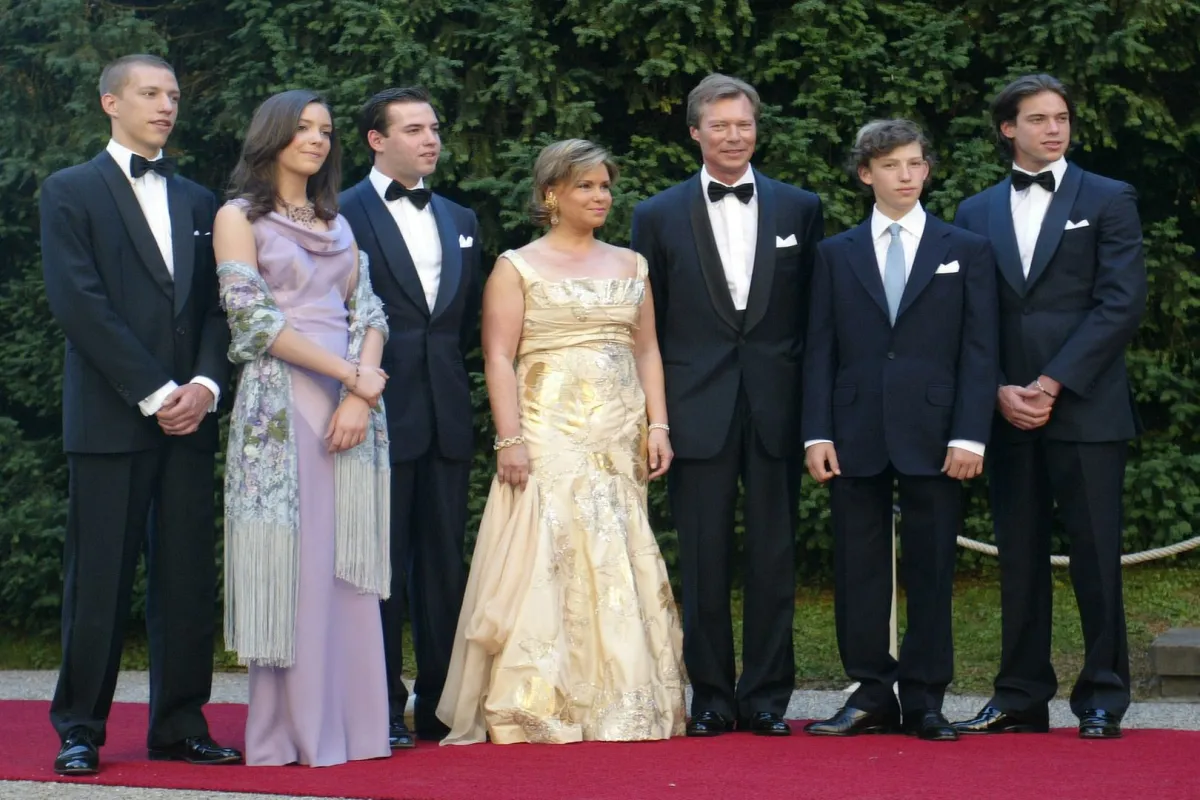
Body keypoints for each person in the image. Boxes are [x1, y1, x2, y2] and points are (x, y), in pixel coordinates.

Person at [436, 139, 686, 744]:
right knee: (545, 553)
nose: (600, 196)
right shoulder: (516, 266)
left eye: (604, 186)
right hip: (547, 430)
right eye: (586, 186)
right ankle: (535, 701)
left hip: (618, 432)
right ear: (552, 193)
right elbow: (497, 356)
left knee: (616, 550)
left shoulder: (631, 264)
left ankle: (624, 700)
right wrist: (510, 438)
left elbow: (648, 348)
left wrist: (659, 425)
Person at [40, 53, 241, 775]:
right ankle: (80, 730)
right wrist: (158, 394)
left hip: (193, 418)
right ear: (109, 103)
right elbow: (79, 304)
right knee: (98, 580)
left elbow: (221, 305)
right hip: (111, 421)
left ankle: (179, 726)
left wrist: (205, 388)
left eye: (174, 94)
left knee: (185, 580)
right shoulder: (69, 191)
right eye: (150, 93)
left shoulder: (197, 199)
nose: (166, 105)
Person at [951, 74, 1147, 740]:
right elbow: (969, 314)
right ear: (1008, 129)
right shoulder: (974, 212)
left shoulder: (1110, 197)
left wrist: (1053, 381)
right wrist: (1001, 388)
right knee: (1019, 557)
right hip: (1007, 411)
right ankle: (1020, 696)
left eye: (1061, 117)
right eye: (1038, 119)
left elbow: (1121, 303)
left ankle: (1102, 698)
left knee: (1096, 556)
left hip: (1087, 407)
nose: (1054, 129)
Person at [630, 73, 824, 737]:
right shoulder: (655, 214)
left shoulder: (802, 207)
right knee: (704, 559)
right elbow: (644, 326)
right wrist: (653, 417)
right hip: (694, 408)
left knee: (774, 558)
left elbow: (813, 320)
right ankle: (711, 696)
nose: (734, 135)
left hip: (777, 407)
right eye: (720, 125)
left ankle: (768, 697)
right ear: (695, 133)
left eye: (743, 124)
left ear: (756, 128)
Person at [800, 119, 998, 740]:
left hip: (938, 435)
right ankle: (870, 694)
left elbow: (980, 348)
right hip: (853, 431)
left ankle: (927, 698)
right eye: (891, 165)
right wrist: (816, 433)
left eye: (915, 163)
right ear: (866, 174)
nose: (906, 175)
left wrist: (971, 434)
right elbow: (820, 350)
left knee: (934, 569)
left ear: (927, 169)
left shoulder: (965, 248)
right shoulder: (835, 253)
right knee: (859, 571)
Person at [214, 89, 393, 766]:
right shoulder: (237, 217)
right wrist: (351, 379)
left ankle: (355, 730)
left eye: (325, 129)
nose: (317, 139)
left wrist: (361, 393)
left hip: (353, 406)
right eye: (303, 128)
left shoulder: (338, 220)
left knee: (348, 566)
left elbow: (370, 311)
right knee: (300, 569)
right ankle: (292, 734)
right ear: (273, 136)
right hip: (282, 405)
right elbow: (253, 321)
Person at [339, 87, 481, 746]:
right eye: (415, 129)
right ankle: (380, 702)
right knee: (381, 566)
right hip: (373, 413)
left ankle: (440, 703)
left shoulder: (462, 218)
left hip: (448, 412)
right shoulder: (339, 217)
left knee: (444, 566)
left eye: (434, 127)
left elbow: (464, 325)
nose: (431, 139)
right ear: (376, 139)